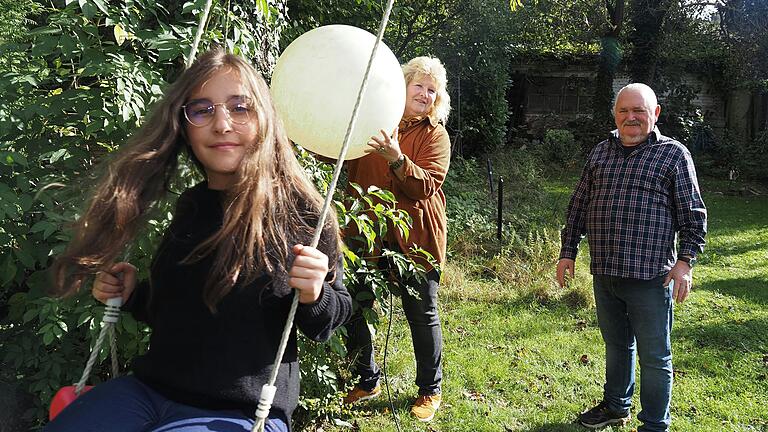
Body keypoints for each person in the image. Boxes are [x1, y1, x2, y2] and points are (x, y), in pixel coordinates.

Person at [46, 48, 352, 432]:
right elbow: (176, 309)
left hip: (238, 411)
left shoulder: (303, 213)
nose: (222, 123)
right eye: (202, 110)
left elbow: (330, 319)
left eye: (240, 107)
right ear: (184, 127)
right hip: (150, 391)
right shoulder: (192, 205)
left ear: (264, 119)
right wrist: (131, 295)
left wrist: (314, 293)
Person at [556, 83, 707, 431]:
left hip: (652, 277)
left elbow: (693, 214)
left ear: (655, 114)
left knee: (655, 357)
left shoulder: (673, 154)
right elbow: (579, 204)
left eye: (639, 111)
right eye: (624, 111)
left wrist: (685, 262)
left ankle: (654, 424)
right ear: (615, 115)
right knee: (617, 346)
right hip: (606, 273)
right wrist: (568, 252)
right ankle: (615, 406)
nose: (631, 118)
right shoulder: (600, 152)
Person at [341, 56, 451, 423]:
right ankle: (366, 378)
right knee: (355, 304)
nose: (424, 94)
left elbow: (424, 185)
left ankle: (429, 389)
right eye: (418, 85)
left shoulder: (435, 134)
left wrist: (397, 158)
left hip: (416, 237)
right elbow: (340, 154)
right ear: (400, 86)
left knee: (421, 313)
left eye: (431, 90)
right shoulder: (372, 122)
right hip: (365, 230)